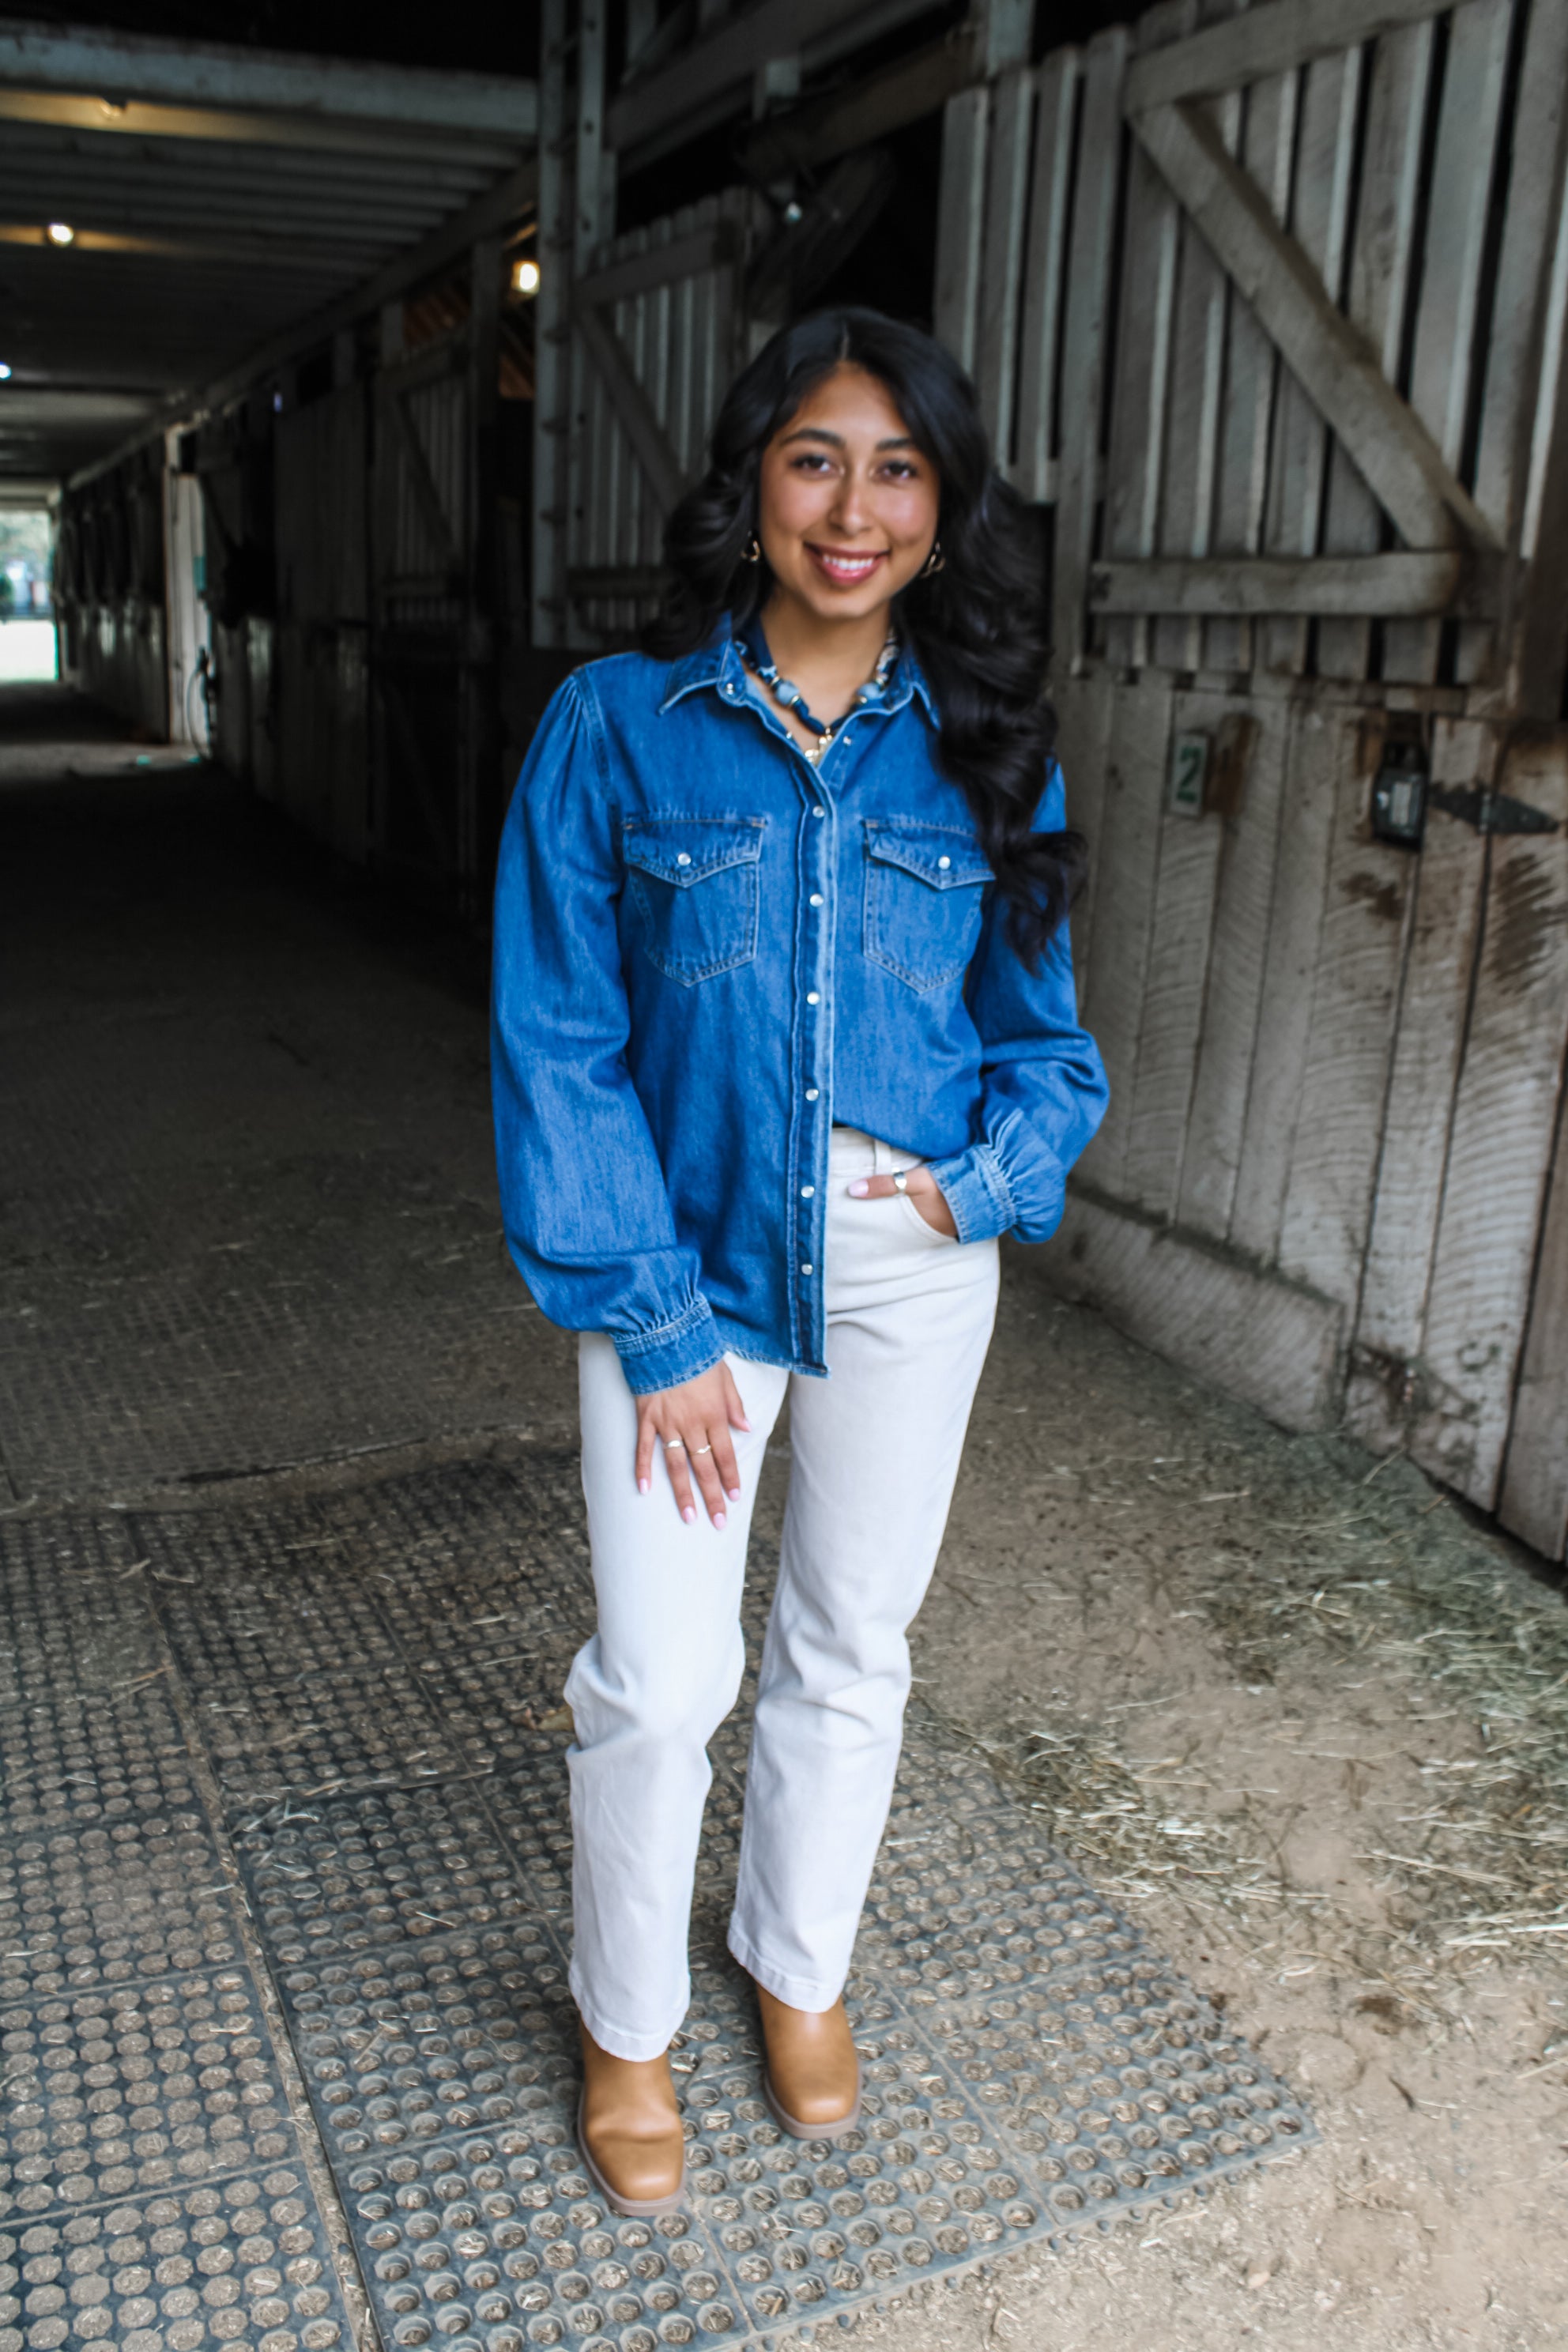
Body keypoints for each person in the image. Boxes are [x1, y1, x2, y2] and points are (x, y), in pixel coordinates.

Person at [491, 307, 1107, 2216]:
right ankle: (624, 2021)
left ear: (943, 504)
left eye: (897, 469)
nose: (853, 512)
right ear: (750, 480)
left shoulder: (988, 749)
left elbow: (1045, 1046)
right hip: (682, 1270)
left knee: (850, 1644)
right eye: (815, 460)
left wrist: (976, 1189)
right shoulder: (617, 725)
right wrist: (654, 1316)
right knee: (660, 1677)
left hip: (906, 1265)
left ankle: (793, 1963)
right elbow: (558, 1038)